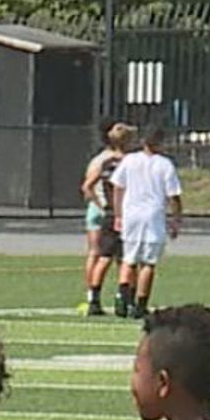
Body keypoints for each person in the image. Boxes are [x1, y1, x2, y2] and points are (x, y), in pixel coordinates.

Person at [110, 127, 183, 320]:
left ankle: (123, 295)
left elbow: (118, 187)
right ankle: (140, 304)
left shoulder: (130, 160)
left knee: (129, 259)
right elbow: (173, 195)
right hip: (153, 216)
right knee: (148, 263)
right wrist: (176, 219)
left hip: (131, 214)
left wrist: (118, 214)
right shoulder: (165, 164)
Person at [80, 120, 132, 318]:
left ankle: (93, 297)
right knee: (126, 258)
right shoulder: (128, 162)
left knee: (101, 255)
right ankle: (125, 298)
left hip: (105, 211)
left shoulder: (103, 161)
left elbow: (88, 185)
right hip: (119, 213)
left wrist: (100, 204)